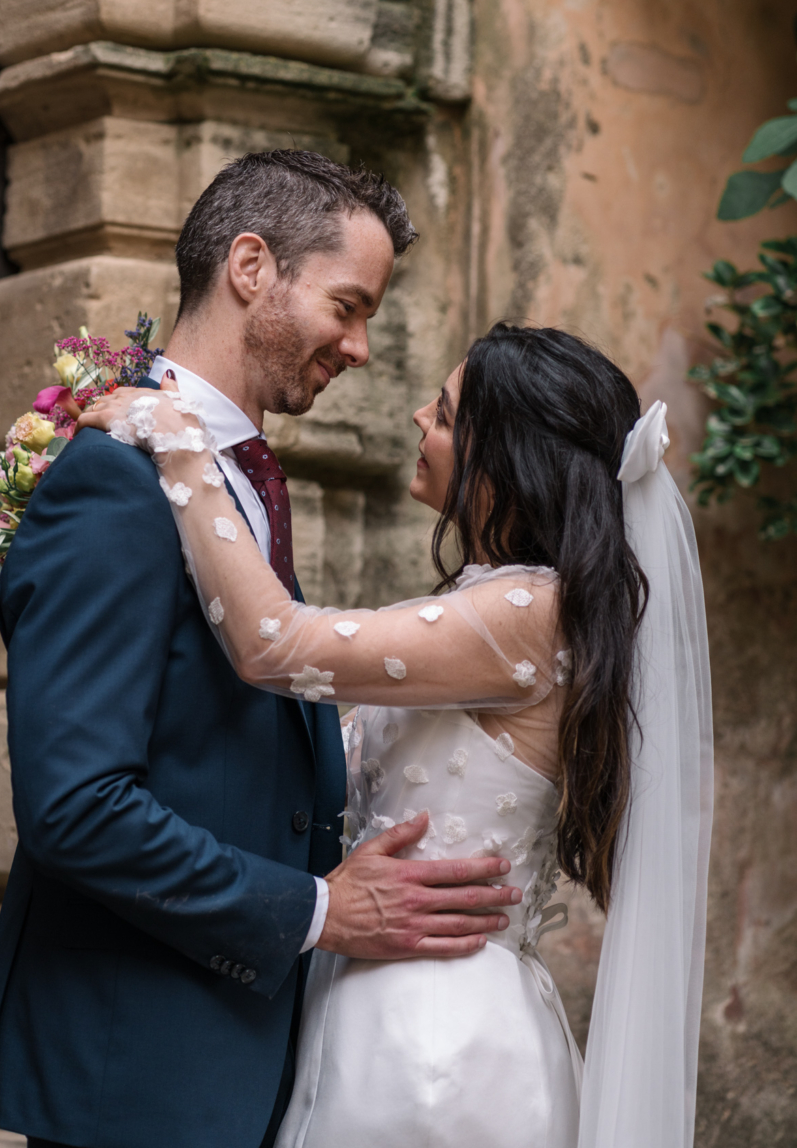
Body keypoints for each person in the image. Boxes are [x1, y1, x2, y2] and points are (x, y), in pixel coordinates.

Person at [0, 151, 528, 1148]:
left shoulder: (225, 482)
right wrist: (318, 911)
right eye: (347, 306)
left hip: (239, 1070)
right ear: (251, 265)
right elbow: (75, 807)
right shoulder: (114, 483)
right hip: (134, 1079)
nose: (360, 349)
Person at [93, 322, 714, 1148]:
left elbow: (273, 644)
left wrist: (182, 451)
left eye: (450, 415)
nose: (421, 417)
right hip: (379, 1000)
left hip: (437, 1041)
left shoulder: (531, 613)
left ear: (512, 464)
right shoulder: (496, 600)